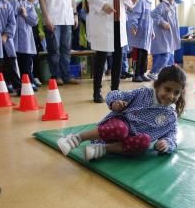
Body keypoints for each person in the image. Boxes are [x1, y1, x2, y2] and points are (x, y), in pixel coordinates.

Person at [57, 64, 186, 161]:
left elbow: (172, 135)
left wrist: (167, 144)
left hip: (126, 143)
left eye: (176, 93)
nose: (170, 96)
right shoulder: (143, 93)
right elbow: (116, 94)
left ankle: (102, 149)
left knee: (145, 142)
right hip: (118, 127)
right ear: (157, 85)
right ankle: (76, 138)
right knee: (121, 128)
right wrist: (115, 103)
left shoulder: (170, 116)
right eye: (167, 89)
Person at [9, 0, 39, 88]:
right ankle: (14, 83)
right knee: (14, 63)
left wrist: (25, 15)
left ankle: (29, 82)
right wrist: (15, 0)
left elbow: (34, 21)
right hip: (13, 41)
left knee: (26, 64)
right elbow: (8, 15)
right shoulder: (9, 3)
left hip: (26, 42)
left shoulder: (29, 5)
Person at [149, 0, 181, 80]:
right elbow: (154, 14)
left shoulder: (173, 6)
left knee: (171, 56)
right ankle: (153, 72)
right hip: (163, 35)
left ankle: (168, 75)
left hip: (171, 35)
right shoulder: (163, 5)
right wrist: (163, 22)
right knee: (165, 55)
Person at [127, 0, 155, 82]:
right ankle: (136, 74)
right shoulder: (141, 1)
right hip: (139, 35)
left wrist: (152, 31)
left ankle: (142, 73)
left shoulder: (150, 3)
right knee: (138, 56)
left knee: (144, 56)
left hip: (146, 36)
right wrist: (133, 26)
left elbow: (151, 20)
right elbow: (134, 15)